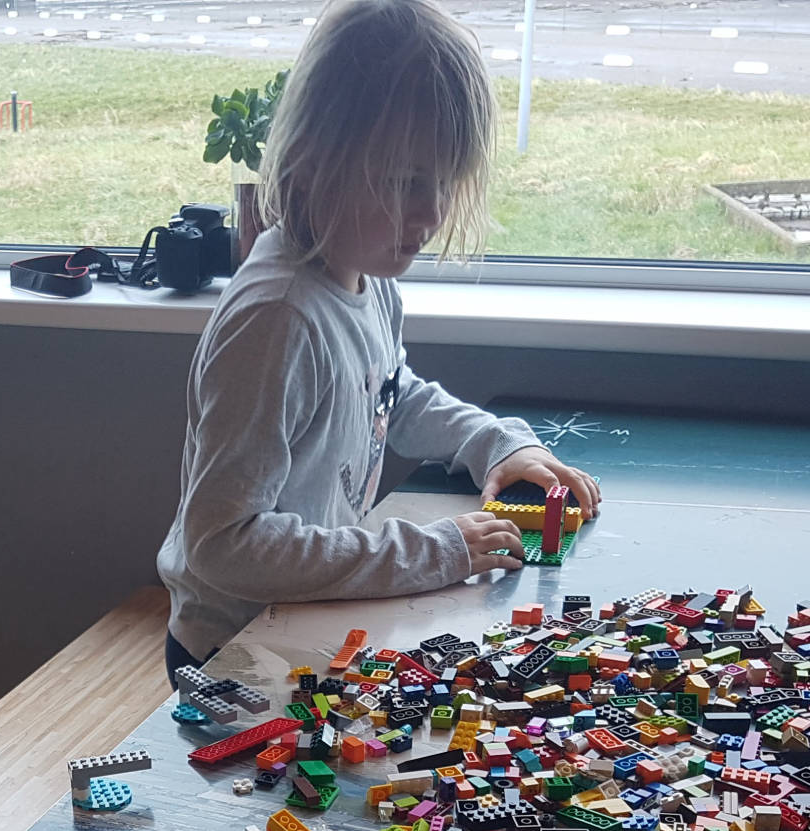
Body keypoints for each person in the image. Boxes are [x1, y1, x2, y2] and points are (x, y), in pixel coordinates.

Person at [157, 0, 602, 680]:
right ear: (313, 160)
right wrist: (434, 551)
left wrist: (495, 442)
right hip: (236, 653)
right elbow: (222, 545)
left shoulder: (364, 271)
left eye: (444, 180)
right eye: (401, 182)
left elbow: (391, 395)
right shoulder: (277, 320)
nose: (431, 212)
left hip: (306, 620)